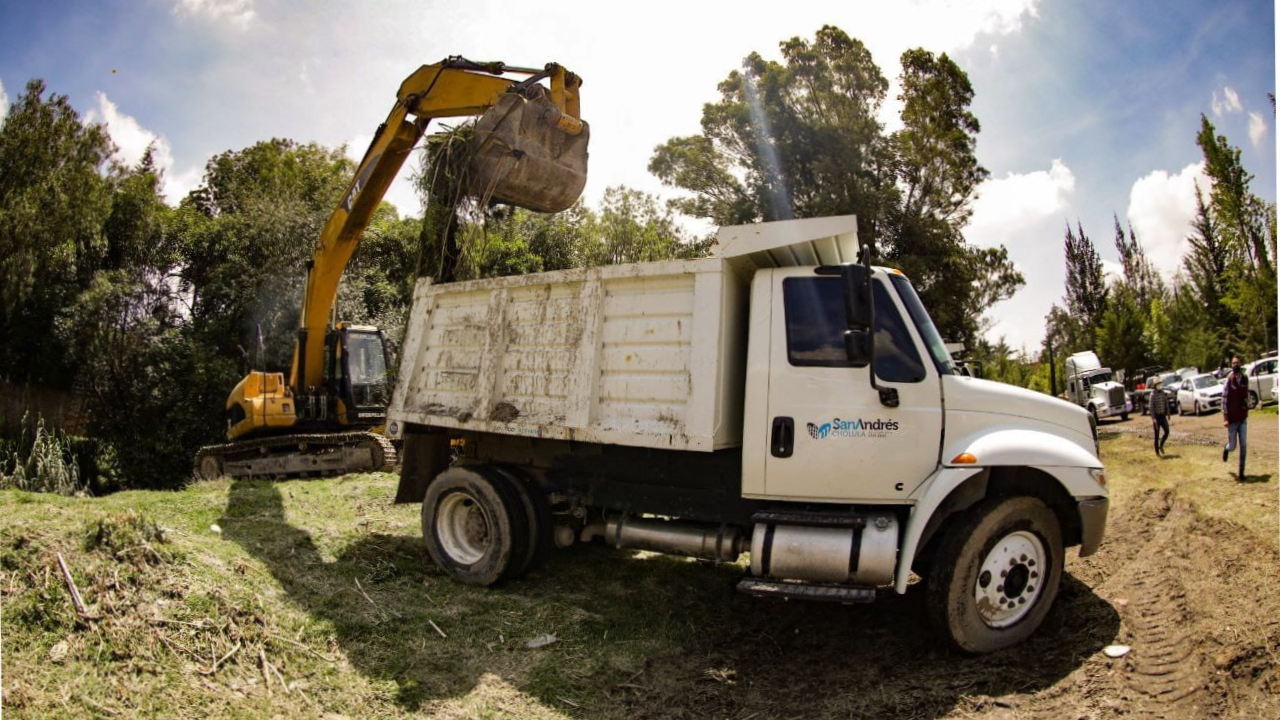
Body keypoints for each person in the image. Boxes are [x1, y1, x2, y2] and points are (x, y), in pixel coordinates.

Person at [1222, 355, 1249, 481]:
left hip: (1242, 418)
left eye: (1237, 363)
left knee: (1243, 445)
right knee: (1233, 446)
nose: (1235, 365)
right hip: (1232, 420)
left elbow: (1245, 395)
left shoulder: (1245, 378)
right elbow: (1224, 399)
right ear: (1231, 365)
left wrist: (1246, 403)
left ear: (1240, 364)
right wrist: (1225, 418)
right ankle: (1226, 448)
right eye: (1233, 363)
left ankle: (1241, 472)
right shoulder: (1229, 379)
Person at [1149, 377, 1170, 455]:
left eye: (1160, 384)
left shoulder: (1162, 393)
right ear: (1155, 385)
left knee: (1167, 431)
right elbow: (1151, 407)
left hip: (1163, 415)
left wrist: (1168, 413)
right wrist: (1153, 419)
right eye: (1158, 384)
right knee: (1157, 435)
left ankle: (1161, 445)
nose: (1159, 385)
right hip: (1157, 416)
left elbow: (1166, 403)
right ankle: (1157, 452)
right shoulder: (1152, 394)